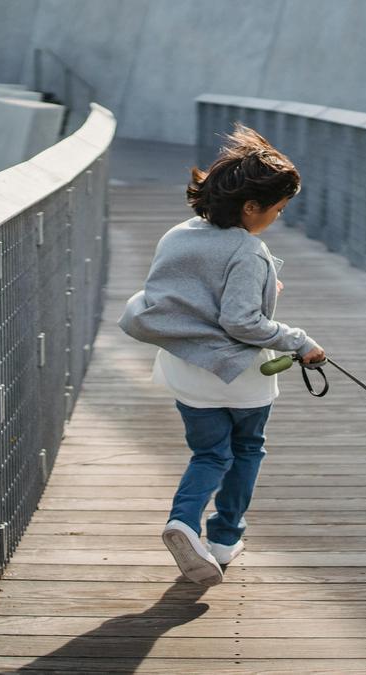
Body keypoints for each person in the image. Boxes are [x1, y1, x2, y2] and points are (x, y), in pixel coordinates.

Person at [118, 123, 324, 586]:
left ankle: (183, 521)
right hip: (242, 378)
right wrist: (300, 341)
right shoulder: (248, 250)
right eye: (277, 209)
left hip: (188, 372)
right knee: (247, 448)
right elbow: (242, 322)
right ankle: (225, 537)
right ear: (251, 207)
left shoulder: (177, 235)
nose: (277, 217)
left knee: (209, 454)